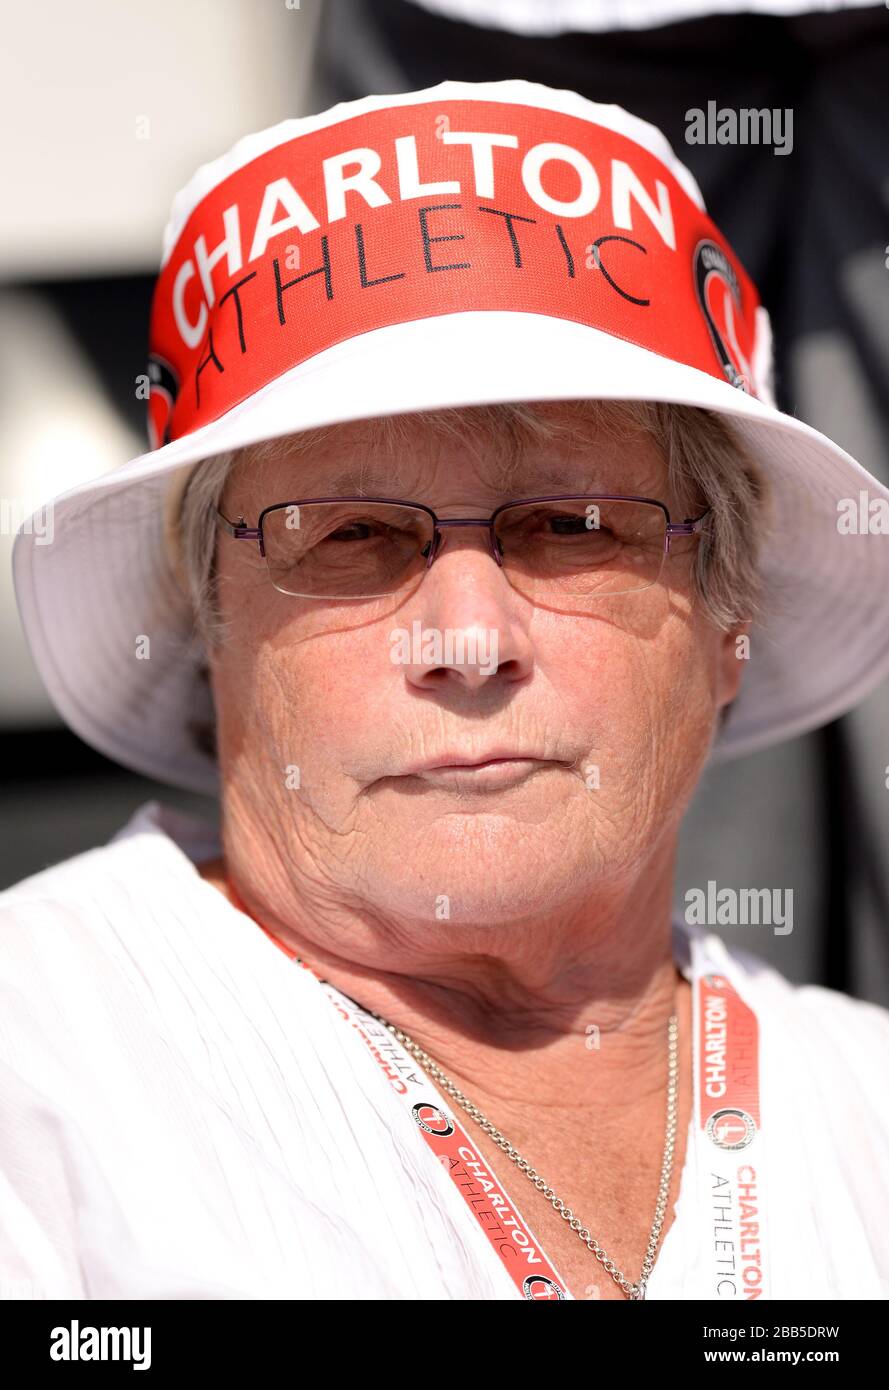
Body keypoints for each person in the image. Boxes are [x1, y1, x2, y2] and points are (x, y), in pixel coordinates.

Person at [3, 78, 889, 1302]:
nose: (469, 639)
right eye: (352, 534)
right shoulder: (36, 1057)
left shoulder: (867, 1115)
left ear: (727, 618)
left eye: (572, 526)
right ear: (205, 622)